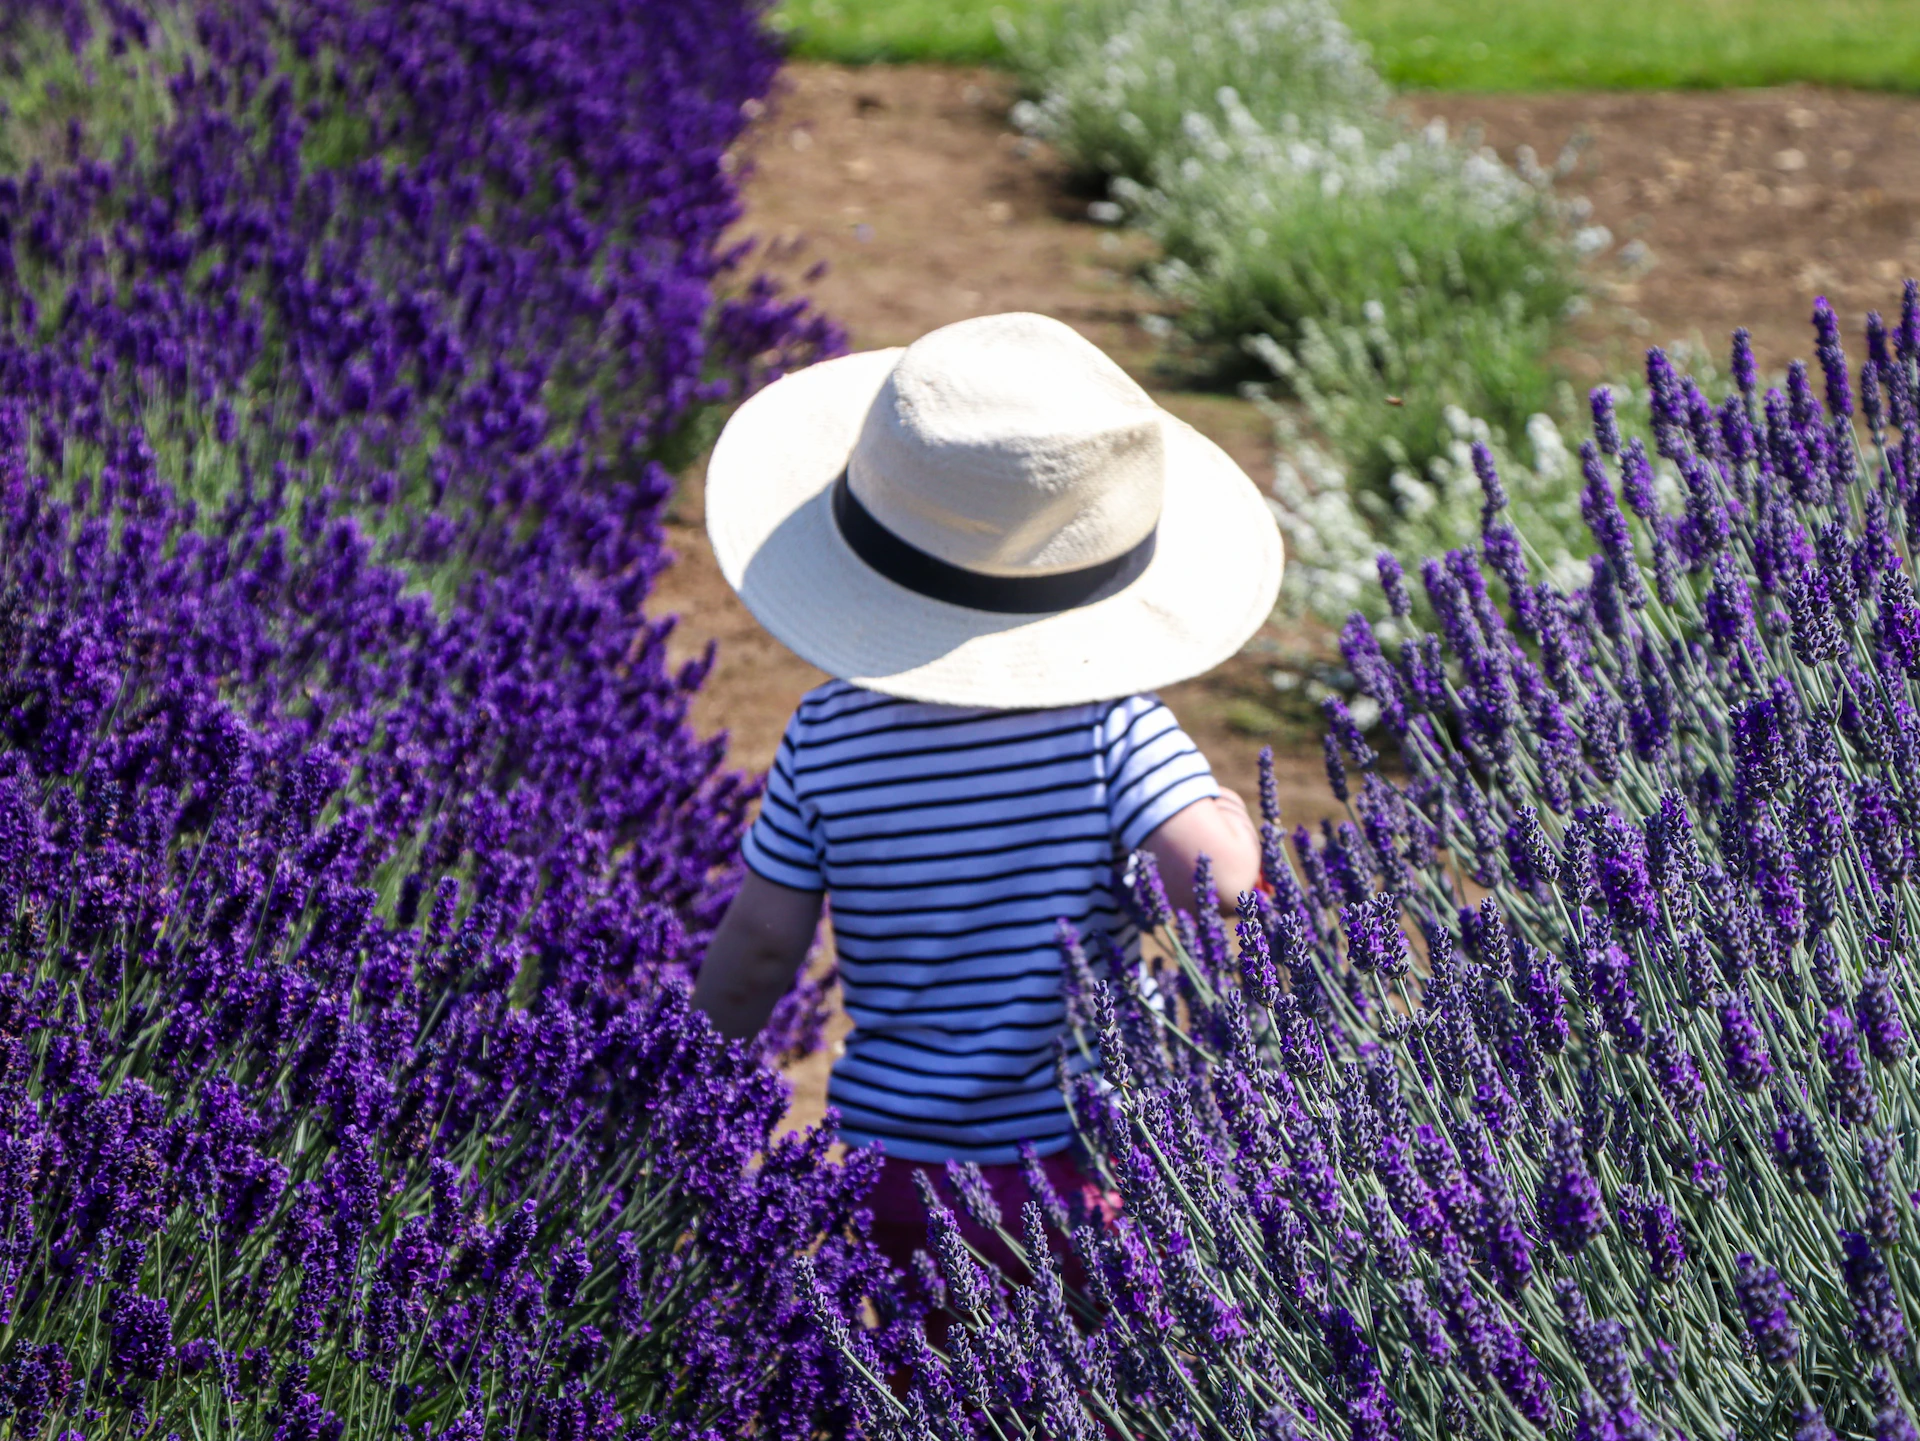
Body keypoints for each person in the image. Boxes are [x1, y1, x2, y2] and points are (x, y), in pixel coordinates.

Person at [690, 311, 1281, 1286]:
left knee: (916, 1384)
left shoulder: (825, 732)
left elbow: (759, 942)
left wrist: (688, 1074)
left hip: (888, 1171)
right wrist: (1227, 816)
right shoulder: (1111, 728)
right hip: (1072, 1162)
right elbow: (1217, 885)